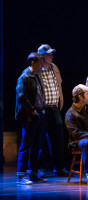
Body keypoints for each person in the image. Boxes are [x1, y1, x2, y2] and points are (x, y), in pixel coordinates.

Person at [15, 52, 48, 184]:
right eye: (40, 62)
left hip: (39, 114)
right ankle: (21, 175)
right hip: (30, 115)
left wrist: (42, 109)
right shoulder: (24, 77)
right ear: (33, 63)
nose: (42, 65)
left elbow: (39, 94)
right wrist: (33, 110)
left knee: (36, 145)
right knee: (26, 144)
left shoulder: (36, 75)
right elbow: (22, 97)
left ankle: (33, 174)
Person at [37, 44, 68, 178]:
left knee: (58, 139)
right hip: (42, 110)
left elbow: (58, 86)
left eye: (51, 54)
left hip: (55, 108)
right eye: (48, 54)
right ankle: (40, 168)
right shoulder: (36, 70)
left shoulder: (54, 67)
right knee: (41, 141)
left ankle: (59, 167)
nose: (51, 56)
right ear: (42, 56)